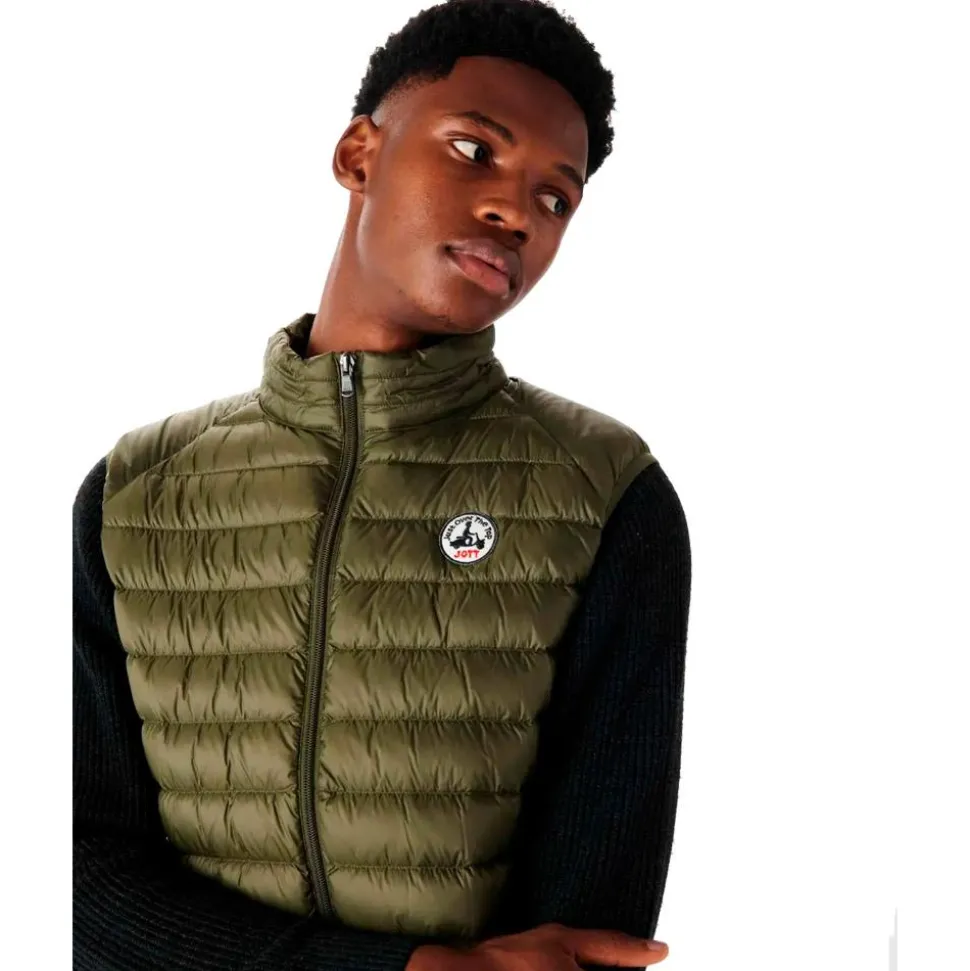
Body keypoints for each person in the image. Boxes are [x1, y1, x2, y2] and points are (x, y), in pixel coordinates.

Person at [72, 1, 692, 968]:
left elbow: (580, 936)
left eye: (555, 199)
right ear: (358, 153)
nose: (514, 212)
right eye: (475, 150)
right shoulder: (136, 493)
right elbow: (71, 874)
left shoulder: (607, 493)